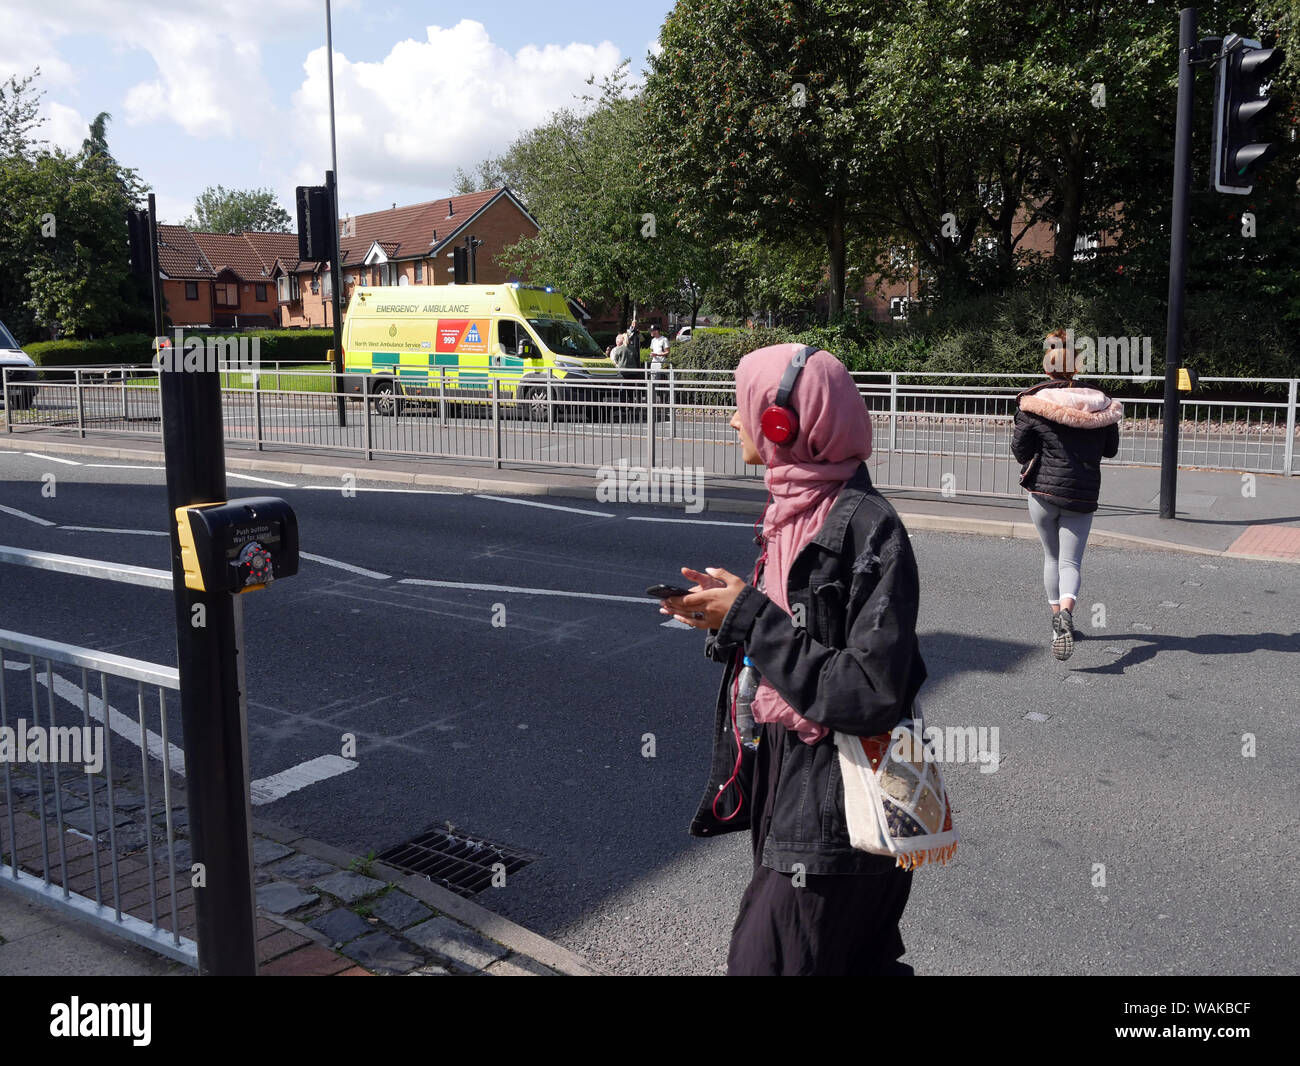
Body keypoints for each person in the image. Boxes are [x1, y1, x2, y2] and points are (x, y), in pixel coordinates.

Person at [659, 343, 927, 976]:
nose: (732, 422)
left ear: (783, 423)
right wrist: (727, 621)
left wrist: (750, 617)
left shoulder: (867, 528)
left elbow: (868, 691)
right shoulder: (794, 513)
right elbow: (796, 639)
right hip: (788, 776)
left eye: (741, 408)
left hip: (837, 798)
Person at [1012, 329, 1123, 661]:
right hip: (1083, 492)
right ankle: (1067, 612)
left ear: (1047, 368)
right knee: (1071, 561)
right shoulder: (1100, 404)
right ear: (1077, 367)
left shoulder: (1034, 403)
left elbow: (1020, 450)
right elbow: (1111, 449)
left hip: (1042, 491)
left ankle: (1055, 621)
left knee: (1051, 557)